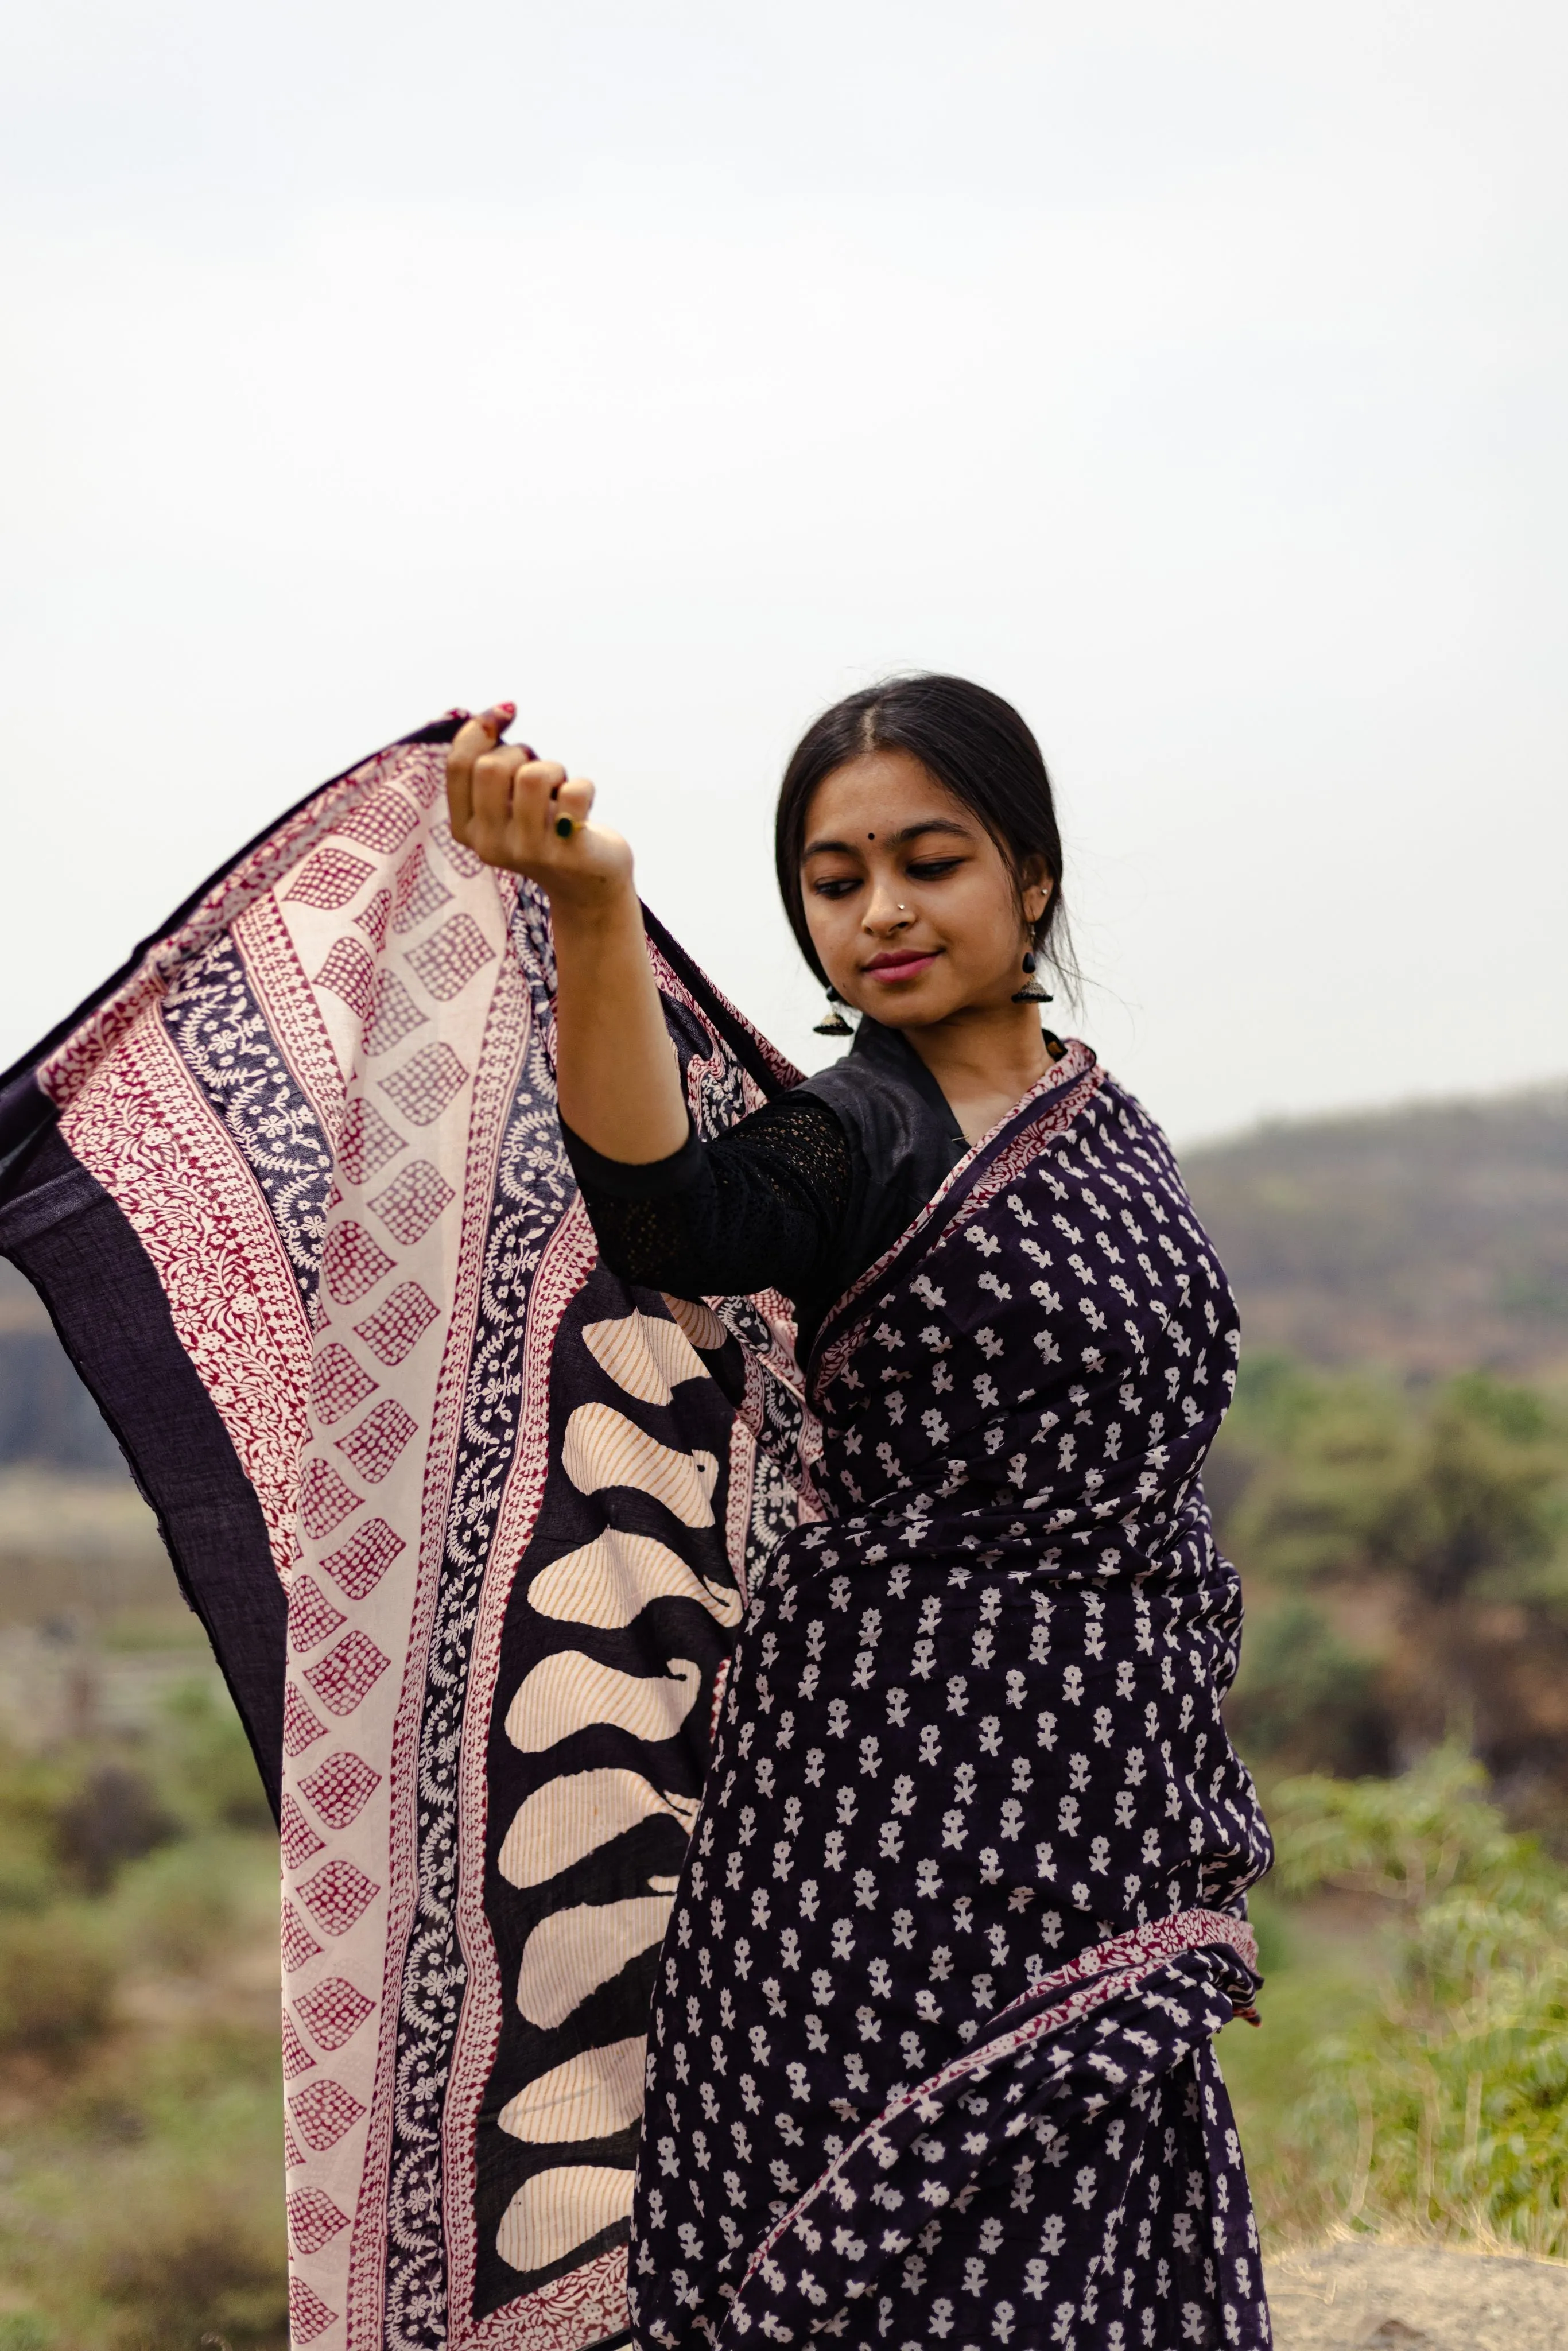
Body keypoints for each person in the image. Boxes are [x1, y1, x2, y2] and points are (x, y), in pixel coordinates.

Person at [445, 675, 1273, 2351]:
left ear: (1027, 875)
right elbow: (677, 1221)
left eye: (928, 861)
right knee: (908, 2259)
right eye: (834, 882)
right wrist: (593, 903)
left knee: (1091, 2224)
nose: (881, 912)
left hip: (1104, 1790)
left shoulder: (1103, 1124)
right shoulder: (859, 1134)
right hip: (885, 1816)